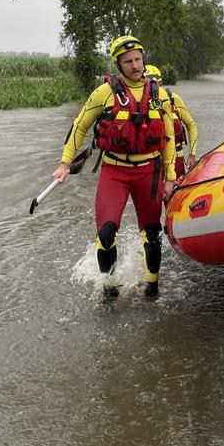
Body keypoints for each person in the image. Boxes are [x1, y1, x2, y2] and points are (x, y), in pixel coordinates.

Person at [52, 35, 177, 300]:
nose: (135, 66)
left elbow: (168, 138)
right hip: (115, 171)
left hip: (149, 172)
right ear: (118, 65)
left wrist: (170, 176)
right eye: (128, 61)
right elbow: (80, 125)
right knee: (107, 233)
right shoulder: (104, 93)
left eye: (138, 60)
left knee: (152, 234)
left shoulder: (160, 95)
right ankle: (109, 288)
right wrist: (65, 163)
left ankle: (152, 287)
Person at [143, 64, 198, 179]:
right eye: (145, 85)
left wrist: (192, 155)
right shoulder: (137, 105)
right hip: (151, 161)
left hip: (176, 158)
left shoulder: (173, 99)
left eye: (153, 84)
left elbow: (191, 125)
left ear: (160, 83)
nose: (150, 88)